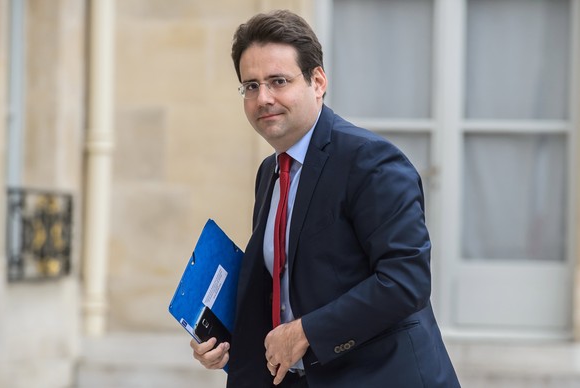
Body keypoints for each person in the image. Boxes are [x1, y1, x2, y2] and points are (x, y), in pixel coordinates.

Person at [190, 9, 461, 388]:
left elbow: (405, 280)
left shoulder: (371, 162)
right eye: (251, 86)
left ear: (317, 82)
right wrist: (224, 339)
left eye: (278, 81)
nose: (263, 98)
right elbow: (285, 286)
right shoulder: (270, 172)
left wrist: (305, 332)